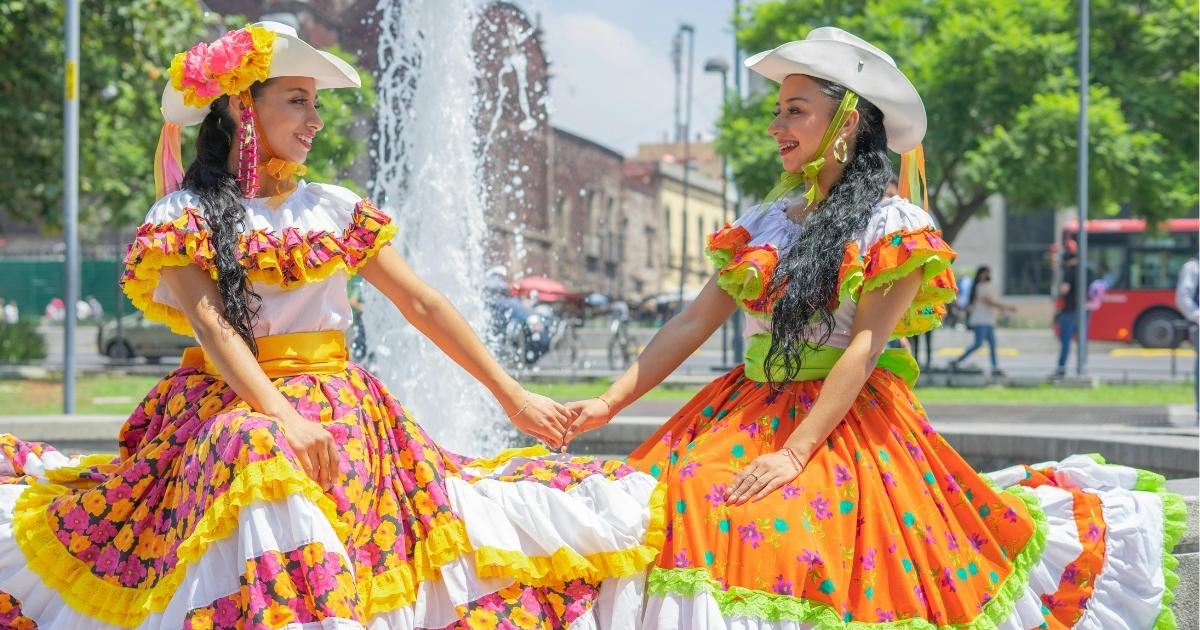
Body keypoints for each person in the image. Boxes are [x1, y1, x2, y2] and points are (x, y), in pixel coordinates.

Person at [0, 23, 661, 628]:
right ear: (242, 106)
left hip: (343, 409)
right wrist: (281, 414)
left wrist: (511, 395)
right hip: (228, 409)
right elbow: (213, 329)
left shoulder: (334, 209)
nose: (316, 120)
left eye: (317, 103)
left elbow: (423, 304)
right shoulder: (183, 213)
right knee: (256, 447)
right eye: (297, 100)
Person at [563, 27, 1182, 629]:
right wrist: (608, 402)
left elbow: (863, 347)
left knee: (762, 521)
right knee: (674, 498)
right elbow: (696, 318)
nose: (775, 126)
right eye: (778, 110)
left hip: (846, 417)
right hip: (745, 406)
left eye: (794, 111)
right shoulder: (765, 222)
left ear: (846, 123)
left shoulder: (893, 225)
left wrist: (793, 453)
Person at [949, 266, 1016, 377]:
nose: (986, 276)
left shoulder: (987, 286)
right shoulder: (979, 287)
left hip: (988, 320)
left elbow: (992, 301)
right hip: (979, 320)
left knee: (992, 344)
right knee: (978, 344)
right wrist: (1005, 307)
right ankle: (957, 361)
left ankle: (995, 367)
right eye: (984, 274)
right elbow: (989, 302)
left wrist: (1001, 309)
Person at [1054, 251, 1081, 378]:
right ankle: (1081, 367)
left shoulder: (1069, 272)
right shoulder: (1084, 271)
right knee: (1080, 340)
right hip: (1081, 311)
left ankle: (1061, 368)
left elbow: (1064, 289)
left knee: (1065, 340)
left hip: (1068, 310)